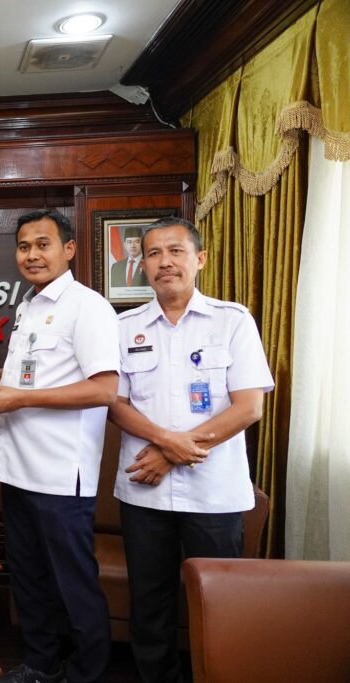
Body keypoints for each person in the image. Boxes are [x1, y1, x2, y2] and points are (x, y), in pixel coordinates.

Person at [108, 217, 273, 683]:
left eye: (176, 251)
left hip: (214, 491)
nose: (165, 262)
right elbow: (114, 404)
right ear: (143, 266)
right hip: (144, 492)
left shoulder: (232, 320)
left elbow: (248, 407)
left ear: (199, 259)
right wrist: (165, 443)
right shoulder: (123, 327)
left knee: (221, 599)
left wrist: (172, 452)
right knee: (150, 604)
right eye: (154, 254)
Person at [0, 208, 119, 683]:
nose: (32, 255)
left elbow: (104, 389)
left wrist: (21, 397)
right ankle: (40, 663)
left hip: (60, 473)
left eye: (43, 244)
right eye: (24, 246)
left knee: (72, 581)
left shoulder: (88, 306)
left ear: (69, 249)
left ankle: (86, 673)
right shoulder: (28, 307)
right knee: (28, 574)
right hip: (17, 466)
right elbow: (36, 376)